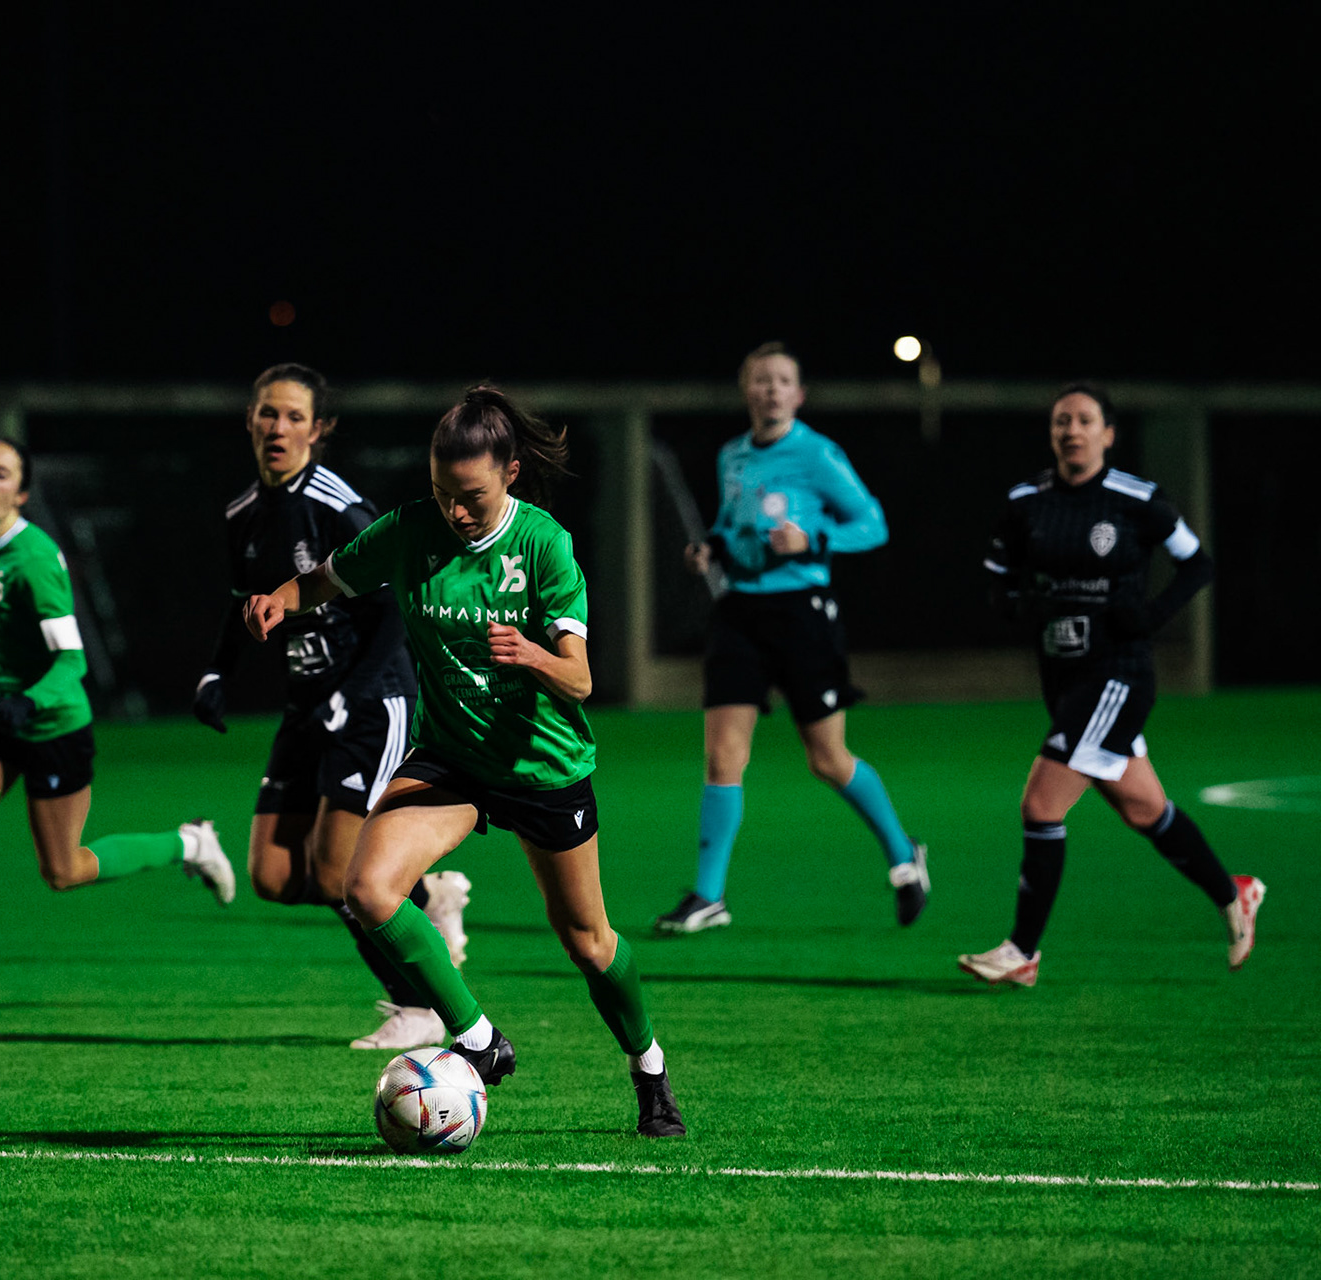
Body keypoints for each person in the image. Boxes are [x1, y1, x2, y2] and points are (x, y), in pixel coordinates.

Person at [245, 385, 687, 1138]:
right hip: (451, 760)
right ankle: (479, 1038)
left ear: (510, 474)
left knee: (588, 941)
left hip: (542, 765)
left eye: (472, 497)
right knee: (367, 887)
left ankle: (648, 1067)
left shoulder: (543, 545)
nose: (455, 511)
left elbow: (581, 679)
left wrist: (535, 656)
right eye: (443, 492)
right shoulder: (411, 530)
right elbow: (327, 578)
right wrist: (280, 599)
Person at [0, 437, 236, 1019]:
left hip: (53, 726)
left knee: (64, 870)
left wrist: (28, 703)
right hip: (1, 720)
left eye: (2, 474)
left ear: (22, 493)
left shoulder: (35, 558)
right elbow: (7, 617)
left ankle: (191, 843)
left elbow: (71, 661)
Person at [193, 364, 470, 1051]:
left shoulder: (338, 506)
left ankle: (421, 1007)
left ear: (319, 430)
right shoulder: (241, 512)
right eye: (268, 413)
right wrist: (217, 672)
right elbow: (241, 602)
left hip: (374, 700)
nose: (278, 427)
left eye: (294, 416)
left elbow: (394, 611)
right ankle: (427, 899)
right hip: (307, 704)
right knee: (273, 876)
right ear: (250, 420)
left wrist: (351, 694)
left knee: (337, 873)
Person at [958, 383, 1263, 986]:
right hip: (1063, 676)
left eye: (1084, 420)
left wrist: (1151, 616)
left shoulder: (1137, 499)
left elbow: (1197, 563)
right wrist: (1014, 603)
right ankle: (1234, 892)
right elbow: (998, 573)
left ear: (1108, 434)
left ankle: (1022, 952)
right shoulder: (1026, 501)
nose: (1071, 430)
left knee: (1041, 804)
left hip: (1118, 676)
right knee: (1145, 809)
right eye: (1061, 421)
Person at [655, 343, 927, 935]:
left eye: (782, 381)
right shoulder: (732, 454)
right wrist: (711, 548)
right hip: (740, 614)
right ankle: (708, 896)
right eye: (761, 380)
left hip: (802, 613)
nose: (772, 389)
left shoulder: (817, 453)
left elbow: (872, 524)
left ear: (798, 395)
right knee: (723, 755)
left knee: (827, 759)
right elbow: (731, 523)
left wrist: (814, 540)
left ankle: (904, 853)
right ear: (747, 390)